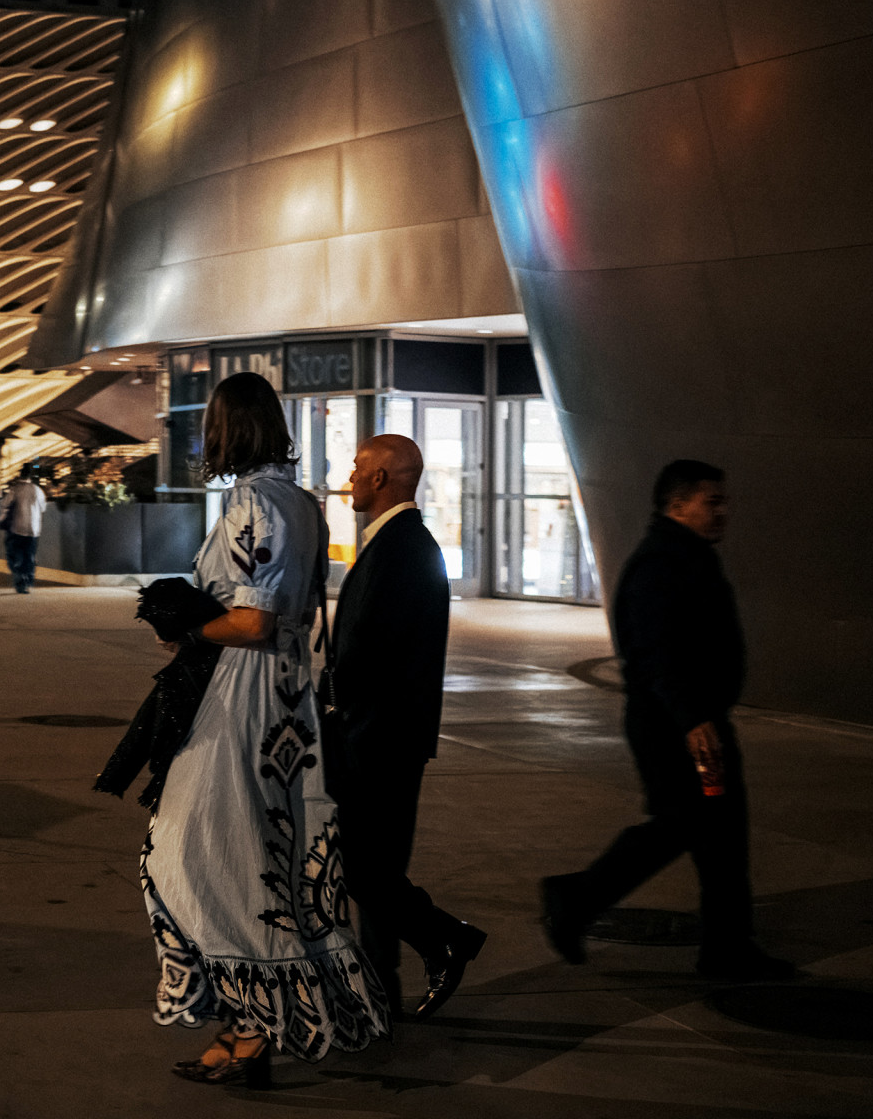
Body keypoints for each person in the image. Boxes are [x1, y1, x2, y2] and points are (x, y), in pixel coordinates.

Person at [140, 371, 389, 1086]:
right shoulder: (302, 503)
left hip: (241, 699)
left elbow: (252, 622)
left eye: (210, 425)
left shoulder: (254, 501)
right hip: (285, 700)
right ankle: (249, 1028)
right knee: (257, 858)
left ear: (227, 428)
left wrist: (188, 631)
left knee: (187, 856)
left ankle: (253, 1025)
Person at [540, 460, 797, 982]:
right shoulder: (660, 564)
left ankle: (727, 947)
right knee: (685, 823)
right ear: (678, 504)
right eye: (712, 501)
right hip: (676, 728)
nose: (723, 511)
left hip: (696, 722)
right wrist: (692, 719)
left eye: (724, 501)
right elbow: (658, 653)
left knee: (721, 832)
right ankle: (577, 899)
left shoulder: (688, 556)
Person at [325, 435, 487, 1018]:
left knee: (365, 869)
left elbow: (374, 652)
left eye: (357, 468)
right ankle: (381, 991)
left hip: (381, 740)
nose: (348, 477)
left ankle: (446, 939)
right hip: (378, 735)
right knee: (371, 867)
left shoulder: (405, 548)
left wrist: (333, 709)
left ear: (381, 478)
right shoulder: (395, 543)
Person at [0, 468, 46, 593]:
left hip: (17, 528)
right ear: (31, 477)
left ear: (20, 476)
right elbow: (43, 508)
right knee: (29, 555)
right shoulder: (38, 490)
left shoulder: (15, 489)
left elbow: (5, 504)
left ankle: (20, 582)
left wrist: (3, 518)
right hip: (34, 529)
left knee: (17, 554)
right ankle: (28, 580)